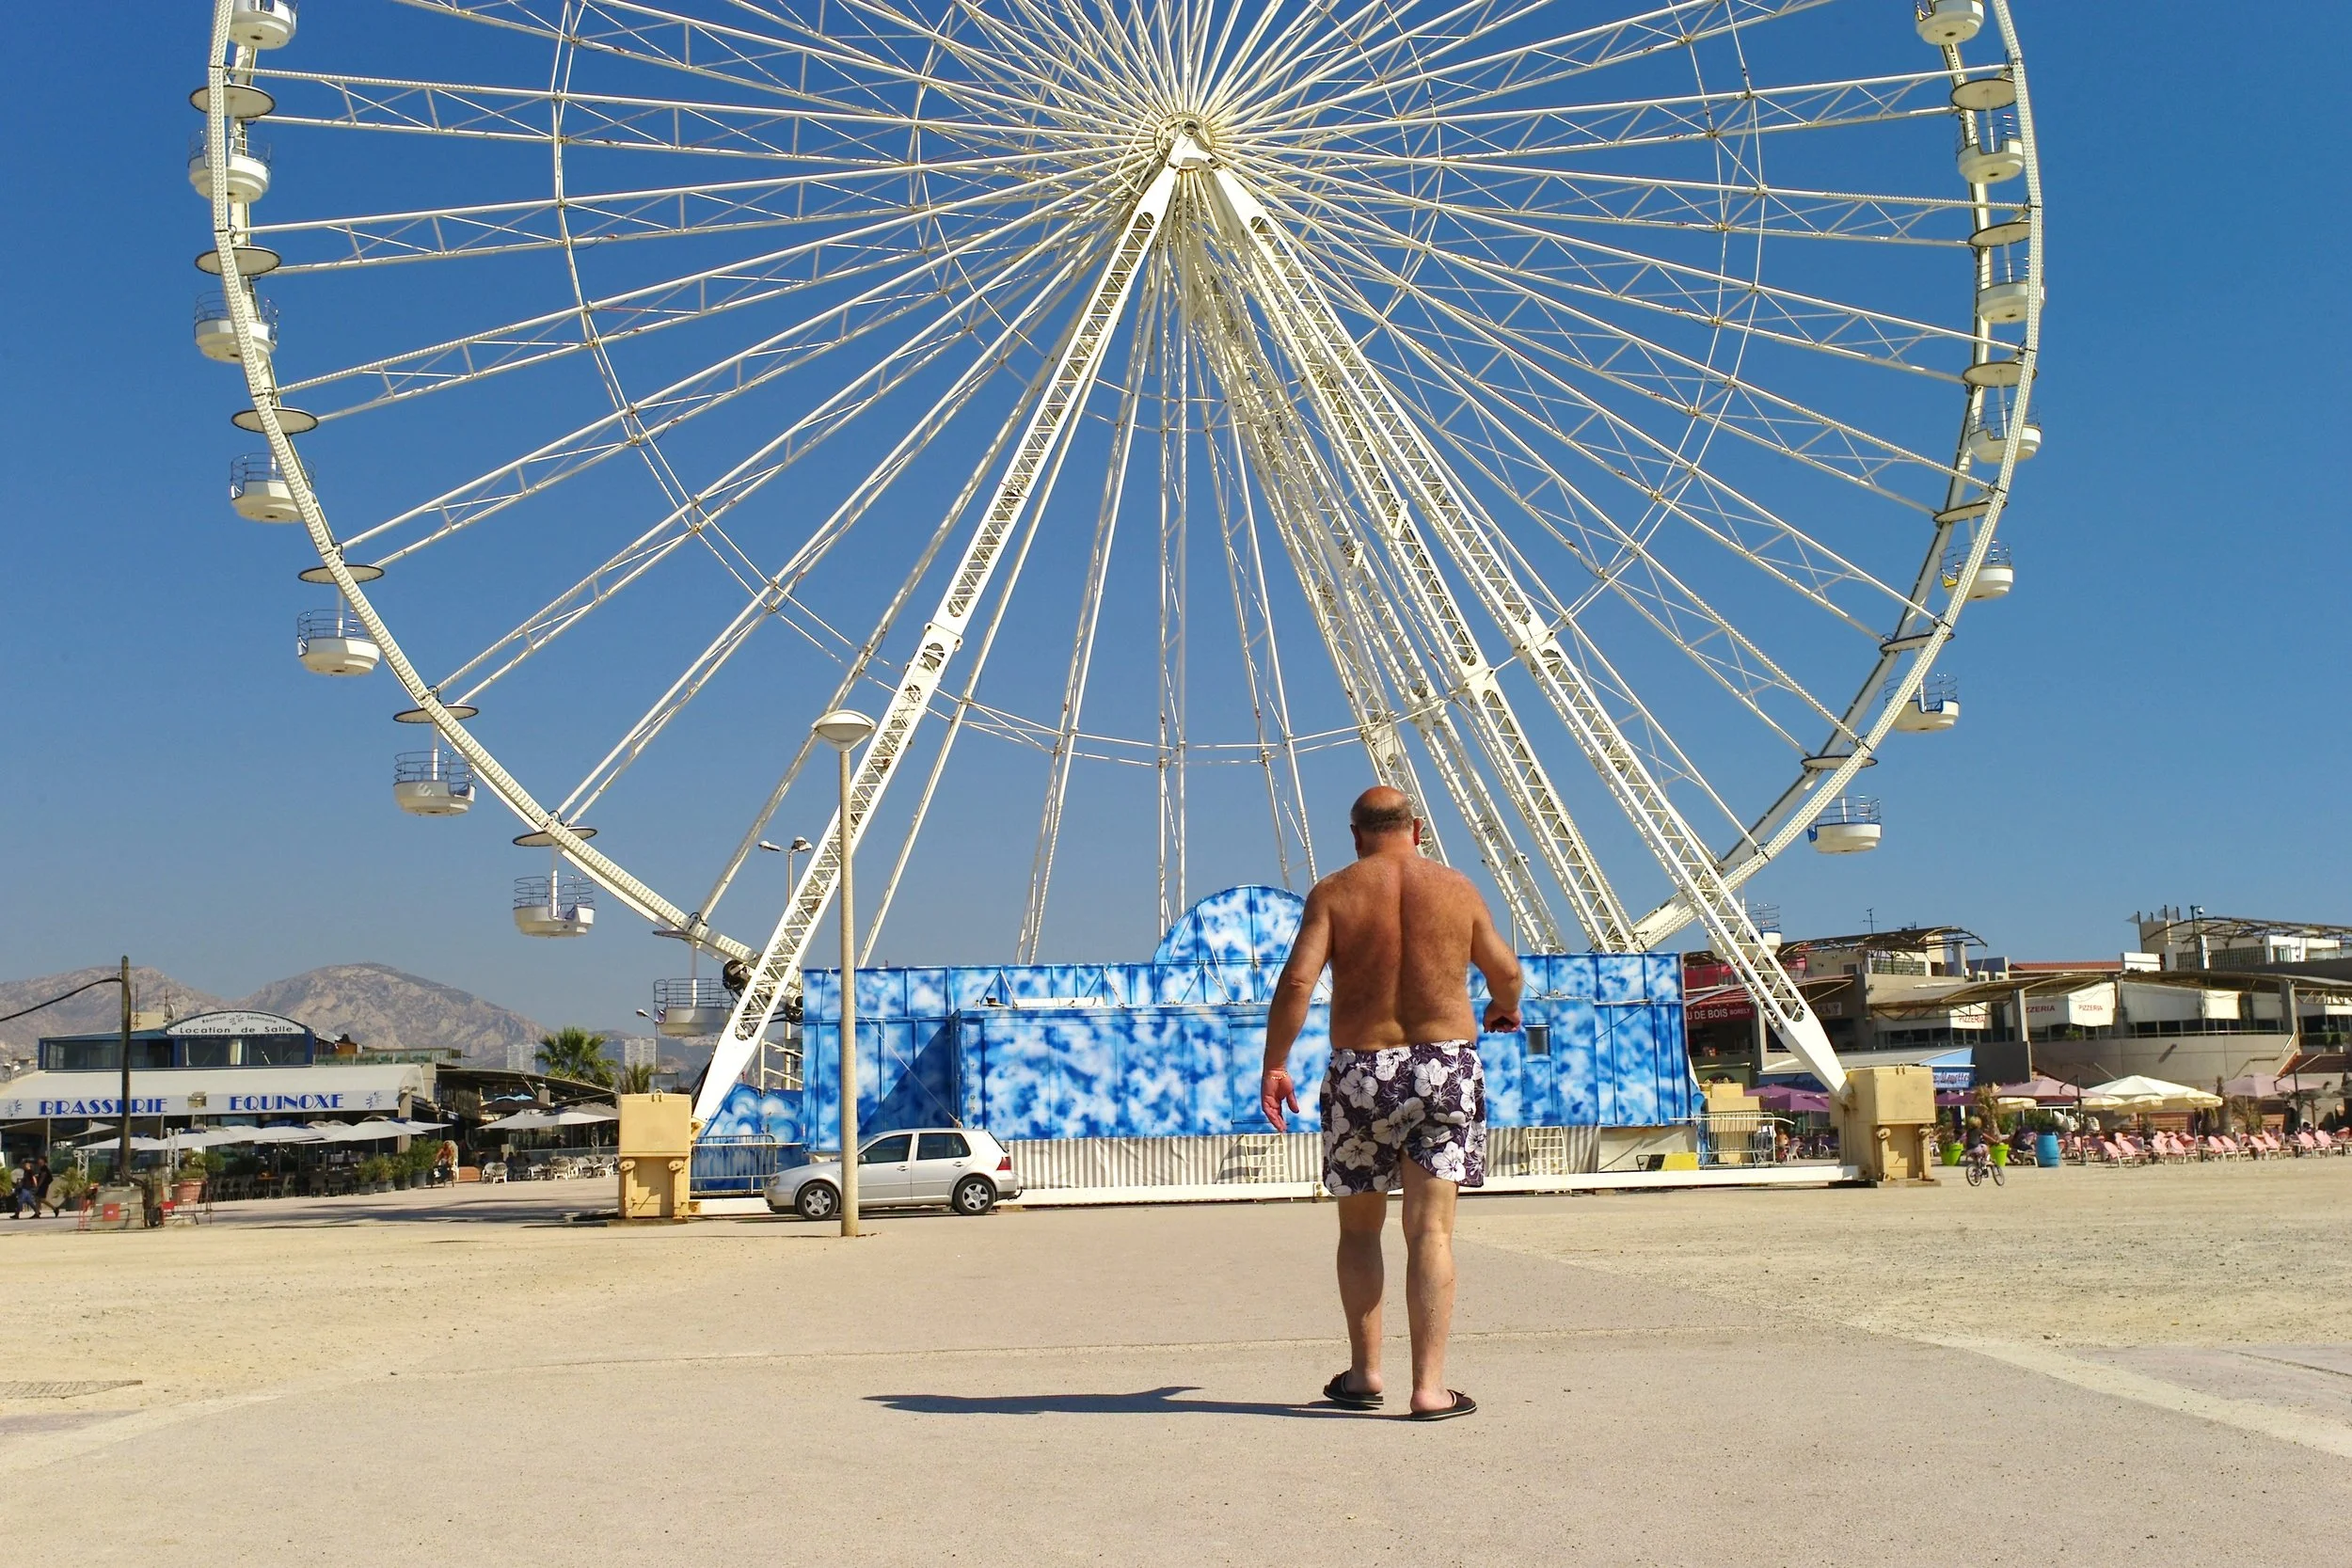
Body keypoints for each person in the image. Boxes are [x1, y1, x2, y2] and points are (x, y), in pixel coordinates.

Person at [1262, 785, 1521, 1422]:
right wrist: (1504, 1007)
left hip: (1361, 1070)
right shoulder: (1457, 888)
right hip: (1444, 1065)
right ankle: (1430, 1388)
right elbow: (1506, 971)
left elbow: (1298, 980)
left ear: (1355, 835)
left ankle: (1364, 1372)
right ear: (1418, 827)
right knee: (1430, 1231)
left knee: (1359, 1230)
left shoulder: (1335, 891)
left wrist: (1276, 1062)